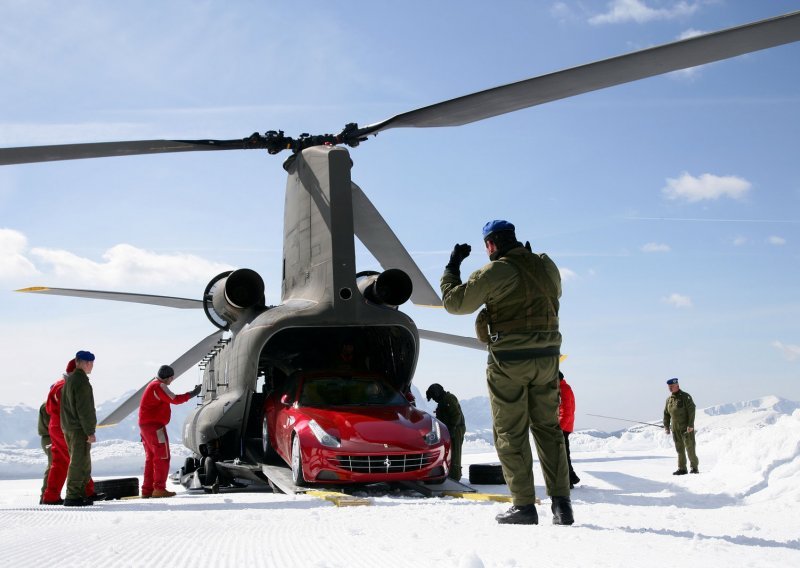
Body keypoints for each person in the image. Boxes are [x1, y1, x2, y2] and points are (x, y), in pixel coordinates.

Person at [440, 219, 572, 526]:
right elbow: (555, 294)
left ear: (490, 245)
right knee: (548, 430)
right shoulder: (545, 265)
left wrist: (452, 266)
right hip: (548, 360)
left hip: (510, 361)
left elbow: (455, 303)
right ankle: (562, 505)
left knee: (510, 433)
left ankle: (524, 506)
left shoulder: (495, 271)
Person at [42, 359, 100, 505]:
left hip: (55, 425)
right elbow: (76, 407)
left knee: (61, 461)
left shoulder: (57, 385)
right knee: (78, 458)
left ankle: (50, 496)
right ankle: (84, 493)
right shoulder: (67, 386)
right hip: (67, 424)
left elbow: (48, 409)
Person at [138, 365, 201, 498]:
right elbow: (174, 399)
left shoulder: (152, 385)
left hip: (145, 427)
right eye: (172, 378)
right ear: (170, 377)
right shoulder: (159, 386)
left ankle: (147, 490)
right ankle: (159, 489)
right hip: (155, 427)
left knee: (151, 459)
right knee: (162, 457)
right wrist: (192, 394)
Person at [60, 351, 99, 507]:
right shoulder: (81, 381)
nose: (92, 367)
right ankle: (73, 495)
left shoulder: (69, 381)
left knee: (81, 461)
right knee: (79, 462)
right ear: (87, 363)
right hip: (78, 429)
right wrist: (90, 431)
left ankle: (80, 493)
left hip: (69, 427)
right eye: (92, 363)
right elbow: (85, 409)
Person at [425, 383, 466, 481]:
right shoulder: (443, 401)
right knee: (448, 454)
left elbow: (456, 415)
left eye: (434, 397)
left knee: (455, 454)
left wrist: (451, 429)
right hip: (449, 430)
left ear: (437, 393)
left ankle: (455, 478)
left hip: (456, 430)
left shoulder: (449, 399)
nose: (434, 400)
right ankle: (450, 475)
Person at [663, 377, 699, 475]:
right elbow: (666, 413)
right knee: (679, 449)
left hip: (686, 428)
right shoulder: (669, 400)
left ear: (677, 386)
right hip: (675, 428)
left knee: (690, 447)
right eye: (669, 387)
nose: (670, 388)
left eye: (672, 386)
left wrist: (690, 424)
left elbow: (692, 410)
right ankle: (682, 468)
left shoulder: (685, 396)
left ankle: (694, 468)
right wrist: (666, 426)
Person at [558, 372, 580, 489]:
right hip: (565, 426)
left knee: (563, 455)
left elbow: (566, 411)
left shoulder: (563, 389)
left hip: (563, 427)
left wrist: (559, 428)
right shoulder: (563, 388)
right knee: (564, 454)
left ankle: (569, 480)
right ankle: (571, 478)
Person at [37, 401, 51, 504]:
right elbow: (50, 424)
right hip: (49, 437)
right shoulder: (48, 405)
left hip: (51, 437)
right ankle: (45, 495)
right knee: (53, 465)